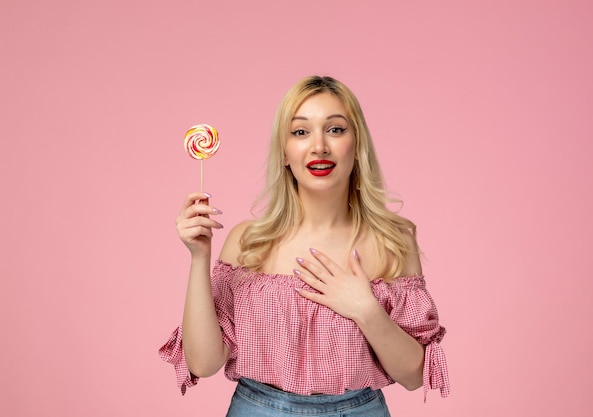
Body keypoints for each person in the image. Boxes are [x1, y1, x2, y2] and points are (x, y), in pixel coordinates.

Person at [159, 75, 449, 416]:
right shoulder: (248, 242)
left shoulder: (393, 241)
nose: (319, 146)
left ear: (357, 147)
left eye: (336, 129)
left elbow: (414, 376)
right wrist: (199, 258)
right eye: (300, 132)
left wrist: (366, 310)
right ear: (284, 152)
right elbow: (204, 363)